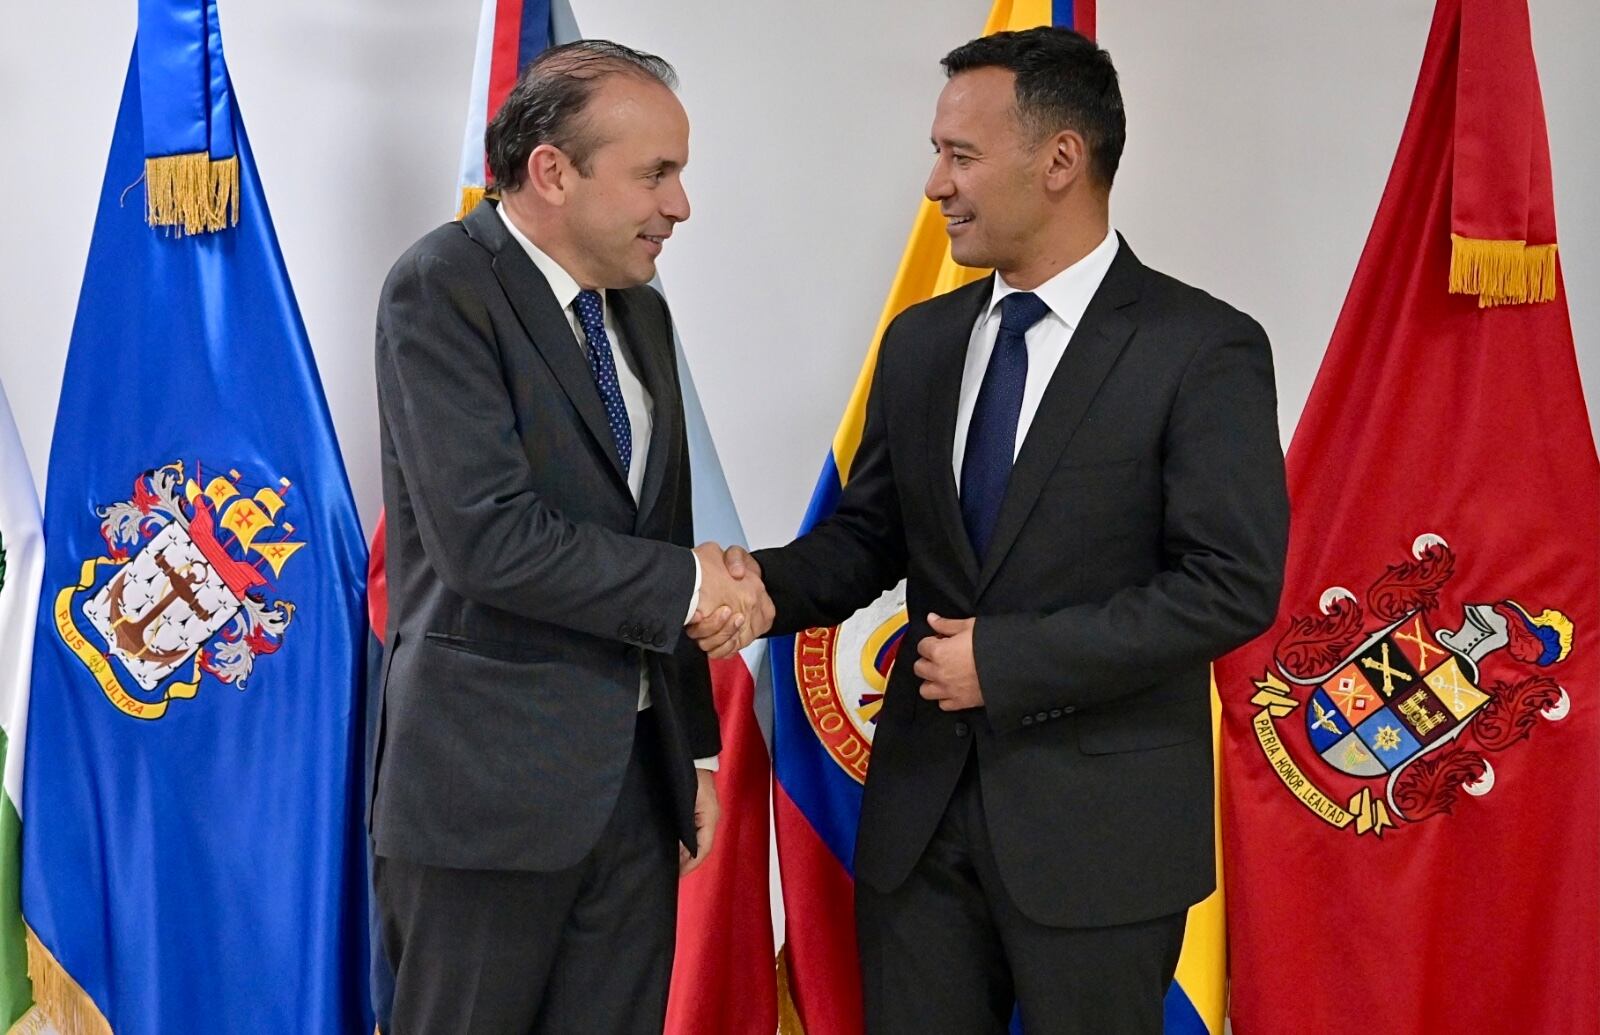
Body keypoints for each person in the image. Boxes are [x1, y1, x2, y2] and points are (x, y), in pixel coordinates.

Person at [694, 26, 1289, 1034]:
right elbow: (869, 538)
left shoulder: (1200, 348)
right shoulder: (922, 342)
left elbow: (1228, 584)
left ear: (1059, 159)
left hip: (1100, 841)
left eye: (958, 155)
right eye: (938, 153)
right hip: (918, 833)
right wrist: (757, 587)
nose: (935, 184)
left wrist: (1006, 662)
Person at [371, 40, 765, 1035]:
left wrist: (694, 753)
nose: (679, 207)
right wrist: (691, 584)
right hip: (485, 803)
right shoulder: (442, 288)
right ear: (552, 171)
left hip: (633, 789)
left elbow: (655, 527)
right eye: (655, 175)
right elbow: (488, 540)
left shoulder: (638, 315)